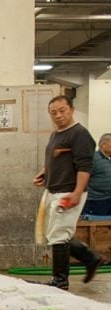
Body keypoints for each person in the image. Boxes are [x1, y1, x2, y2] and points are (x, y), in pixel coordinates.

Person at [33, 95, 106, 289]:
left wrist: (77, 192)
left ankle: (60, 280)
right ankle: (91, 259)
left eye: (62, 111)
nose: (58, 116)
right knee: (55, 234)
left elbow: (85, 167)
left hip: (69, 191)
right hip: (53, 189)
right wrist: (45, 174)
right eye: (53, 113)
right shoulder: (56, 134)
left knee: (59, 234)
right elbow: (55, 160)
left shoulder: (80, 134)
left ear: (72, 110)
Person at [81, 133, 111, 217]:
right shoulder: (93, 159)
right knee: (98, 228)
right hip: (97, 201)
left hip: (109, 199)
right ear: (103, 145)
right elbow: (83, 177)